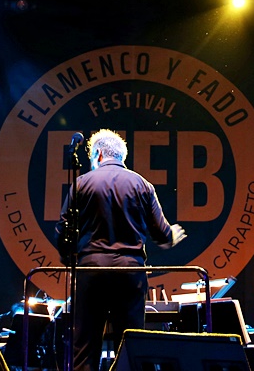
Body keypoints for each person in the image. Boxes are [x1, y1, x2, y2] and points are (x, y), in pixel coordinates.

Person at [54, 129, 187, 371]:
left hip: (91, 272)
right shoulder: (142, 184)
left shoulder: (81, 184)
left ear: (99, 154)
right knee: (130, 347)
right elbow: (162, 234)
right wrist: (171, 236)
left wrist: (69, 260)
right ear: (121, 156)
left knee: (84, 348)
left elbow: (64, 231)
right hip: (129, 273)